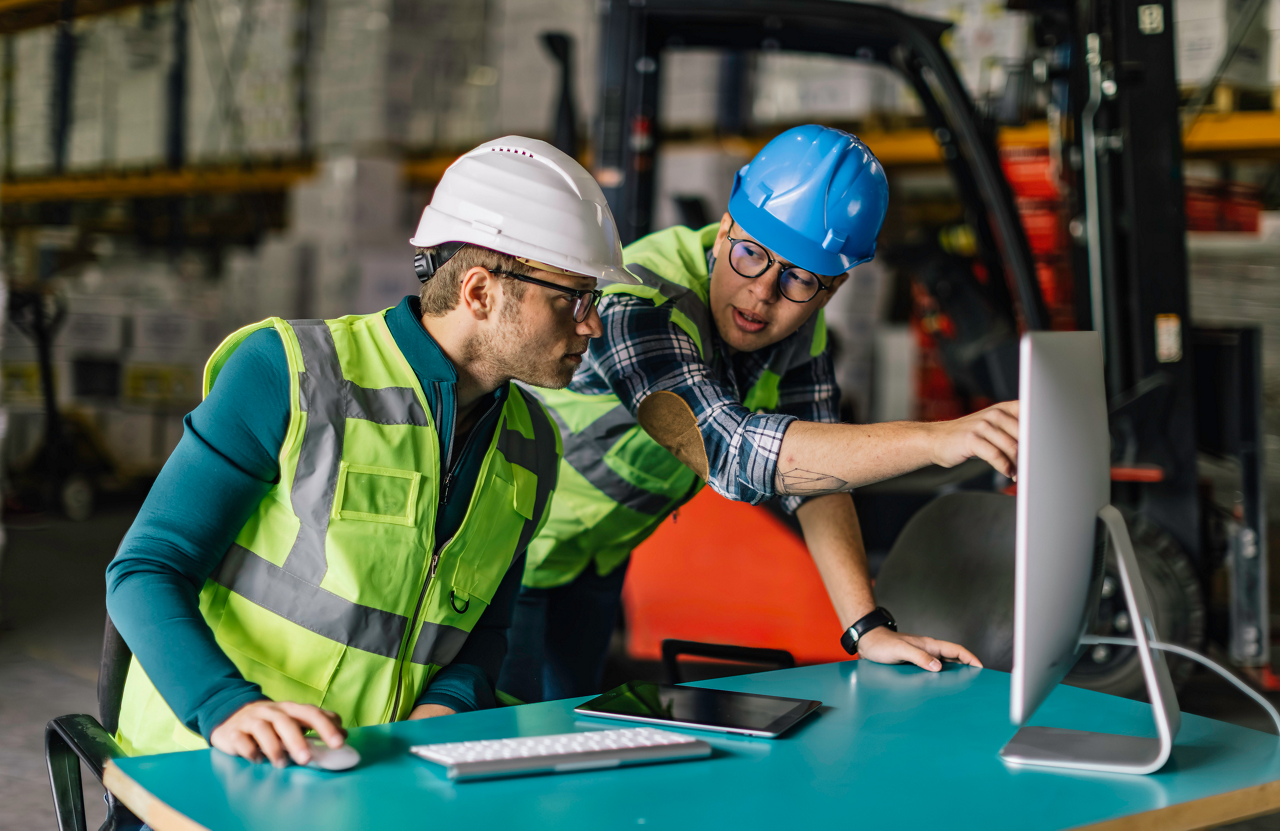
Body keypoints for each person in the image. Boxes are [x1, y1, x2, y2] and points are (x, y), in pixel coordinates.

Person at [105, 136, 640, 764]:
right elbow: (146, 569)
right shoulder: (289, 374)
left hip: (375, 777)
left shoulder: (532, 445)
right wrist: (226, 707)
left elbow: (486, 629)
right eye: (571, 298)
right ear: (479, 293)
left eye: (594, 300)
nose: (592, 324)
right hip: (204, 763)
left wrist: (449, 710)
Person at [498, 125, 1019, 703]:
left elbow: (819, 484)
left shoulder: (800, 326)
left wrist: (867, 627)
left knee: (566, 733)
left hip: (592, 561)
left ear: (832, 289)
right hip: (509, 554)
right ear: (723, 232)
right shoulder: (637, 305)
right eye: (751, 255)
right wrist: (934, 440)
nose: (763, 294)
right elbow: (729, 450)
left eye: (799, 278)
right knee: (512, 742)